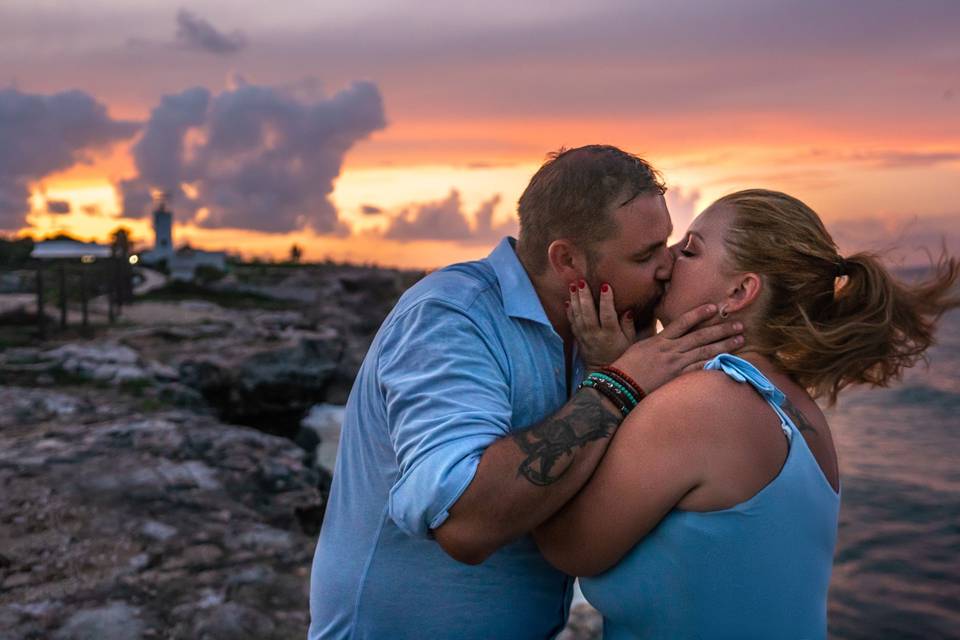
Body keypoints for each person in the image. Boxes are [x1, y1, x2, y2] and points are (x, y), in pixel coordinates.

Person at [307, 145, 745, 639]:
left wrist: (612, 367)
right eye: (645, 255)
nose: (667, 267)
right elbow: (465, 524)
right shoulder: (451, 318)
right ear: (567, 260)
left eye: (666, 245)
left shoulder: (608, 330)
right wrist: (619, 384)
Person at [532, 188, 960, 639]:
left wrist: (609, 377)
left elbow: (565, 544)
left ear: (739, 291)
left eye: (690, 249)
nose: (668, 260)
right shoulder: (795, 407)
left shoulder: (703, 407)